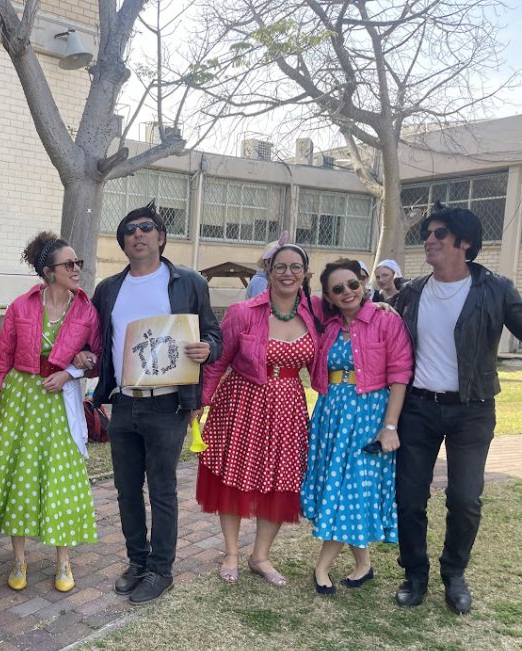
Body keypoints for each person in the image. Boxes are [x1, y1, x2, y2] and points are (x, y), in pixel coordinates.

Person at [393, 204, 522, 614]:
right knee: (409, 498)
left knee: (465, 499)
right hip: (418, 408)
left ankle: (454, 574)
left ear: (465, 243)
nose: (429, 240)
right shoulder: (412, 292)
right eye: (426, 234)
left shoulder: (495, 289)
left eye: (439, 233)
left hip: (472, 409)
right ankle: (415, 574)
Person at [92, 203, 222, 604]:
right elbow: (98, 341)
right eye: (130, 230)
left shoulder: (188, 282)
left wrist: (208, 349)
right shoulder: (109, 289)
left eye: (146, 227)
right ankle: (137, 561)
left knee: (162, 489)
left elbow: (214, 334)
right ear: (123, 243)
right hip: (124, 401)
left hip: (168, 403)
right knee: (126, 489)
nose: (138, 234)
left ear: (161, 237)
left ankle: (161, 570)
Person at [0, 232, 101, 594]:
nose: (76, 269)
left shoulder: (86, 310)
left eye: (78, 263)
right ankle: (19, 559)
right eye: (68, 264)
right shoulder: (21, 306)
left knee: (61, 476)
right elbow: (3, 356)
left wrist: (72, 370)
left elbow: (97, 356)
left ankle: (63, 560)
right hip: (20, 398)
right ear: (48, 271)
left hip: (60, 399)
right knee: (19, 474)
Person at [197, 242, 323, 586]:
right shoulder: (243, 311)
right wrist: (202, 401)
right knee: (233, 477)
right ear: (269, 271)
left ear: (305, 273)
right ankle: (232, 553)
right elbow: (218, 361)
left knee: (281, 480)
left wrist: (382, 306)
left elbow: (352, 308)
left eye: (295, 267)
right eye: (280, 266)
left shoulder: (315, 313)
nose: (287, 273)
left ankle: (261, 556)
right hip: (242, 401)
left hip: (288, 407)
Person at [302, 260, 413, 593]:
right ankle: (363, 565)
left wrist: (389, 427)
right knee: (343, 489)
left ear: (363, 283)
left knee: (348, 488)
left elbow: (400, 374)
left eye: (353, 284)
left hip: (368, 415)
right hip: (332, 415)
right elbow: (296, 300)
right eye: (338, 289)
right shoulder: (329, 324)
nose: (347, 292)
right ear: (329, 297)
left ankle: (322, 567)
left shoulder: (386, 320)